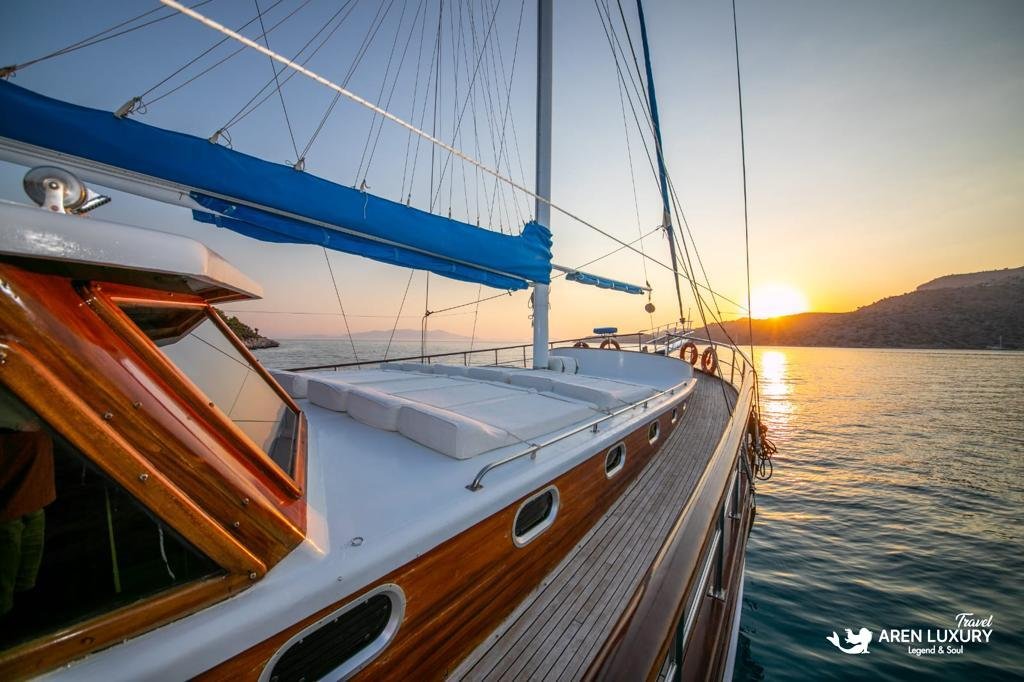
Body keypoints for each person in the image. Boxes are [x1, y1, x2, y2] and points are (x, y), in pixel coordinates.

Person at [0, 390, 55, 616]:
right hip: (11, 438)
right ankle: (6, 608)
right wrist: (14, 421)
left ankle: (24, 597)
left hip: (33, 443)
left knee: (33, 516)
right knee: (8, 527)